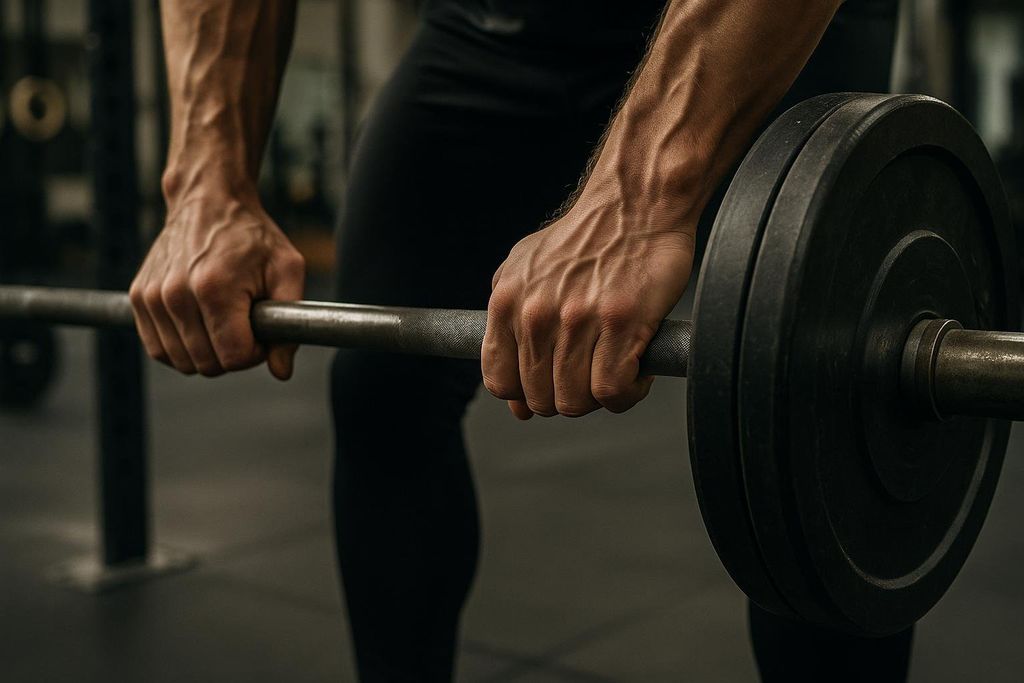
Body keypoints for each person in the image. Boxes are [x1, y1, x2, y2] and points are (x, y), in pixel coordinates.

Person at [131, 0, 911, 680]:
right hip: (497, 25)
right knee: (380, 392)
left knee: (814, 427)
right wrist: (207, 184)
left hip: (770, 20)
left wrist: (637, 195)